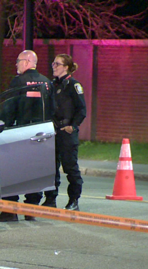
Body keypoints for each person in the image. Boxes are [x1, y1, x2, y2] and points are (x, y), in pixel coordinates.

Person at [0, 50, 54, 222]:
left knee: (12, 171)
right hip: (42, 133)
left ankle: (10, 210)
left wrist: (4, 127)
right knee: (35, 171)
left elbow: (10, 106)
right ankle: (31, 209)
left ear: (27, 61)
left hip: (19, 132)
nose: (16, 64)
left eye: (18, 61)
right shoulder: (46, 82)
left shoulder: (18, 81)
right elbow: (53, 109)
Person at [42, 54, 86, 211]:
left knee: (70, 167)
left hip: (66, 133)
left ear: (66, 67)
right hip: (52, 132)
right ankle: (50, 200)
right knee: (51, 168)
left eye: (57, 64)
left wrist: (73, 126)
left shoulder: (74, 85)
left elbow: (82, 110)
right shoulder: (51, 86)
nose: (53, 66)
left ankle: (74, 200)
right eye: (53, 63)